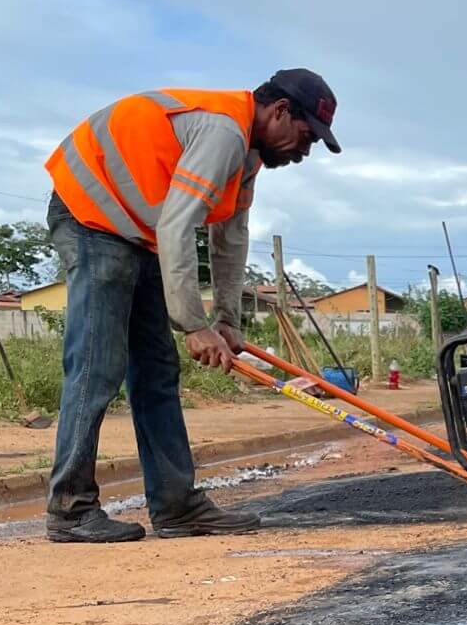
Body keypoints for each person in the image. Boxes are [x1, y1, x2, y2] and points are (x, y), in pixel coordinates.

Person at [43, 69, 341, 544]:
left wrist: (226, 319)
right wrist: (193, 325)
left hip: (135, 228)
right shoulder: (223, 131)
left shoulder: (246, 157)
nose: (303, 153)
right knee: (98, 363)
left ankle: (177, 507)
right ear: (280, 111)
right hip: (91, 213)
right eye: (305, 137)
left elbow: (229, 238)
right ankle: (70, 508)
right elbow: (178, 226)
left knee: (158, 367)